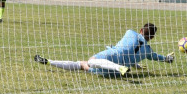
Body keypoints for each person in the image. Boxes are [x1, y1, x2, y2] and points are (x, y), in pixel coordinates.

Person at [34, 23, 174, 78]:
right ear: (153, 37)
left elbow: (127, 48)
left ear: (141, 30)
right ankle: (48, 61)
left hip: (113, 57)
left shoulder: (130, 32)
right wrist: (167, 58)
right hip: (116, 74)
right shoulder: (148, 51)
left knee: (88, 62)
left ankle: (50, 62)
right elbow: (155, 56)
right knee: (84, 65)